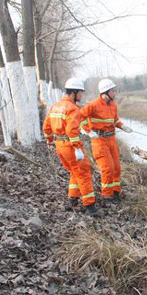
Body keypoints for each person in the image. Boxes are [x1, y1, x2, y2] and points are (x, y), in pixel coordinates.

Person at [43, 78, 98, 215]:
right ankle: (90, 207)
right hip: (70, 146)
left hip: (60, 145)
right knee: (84, 173)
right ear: (74, 92)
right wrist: (77, 147)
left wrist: (50, 141)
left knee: (74, 172)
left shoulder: (55, 106)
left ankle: (72, 200)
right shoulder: (72, 109)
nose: (81, 95)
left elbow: (46, 126)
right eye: (80, 93)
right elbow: (72, 131)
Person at [80, 79, 133, 202]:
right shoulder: (93, 105)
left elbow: (115, 120)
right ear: (106, 92)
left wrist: (123, 126)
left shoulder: (113, 105)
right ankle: (107, 195)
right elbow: (80, 117)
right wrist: (88, 131)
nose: (115, 93)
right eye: (113, 91)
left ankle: (115, 193)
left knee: (116, 168)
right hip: (99, 141)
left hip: (111, 140)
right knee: (107, 168)